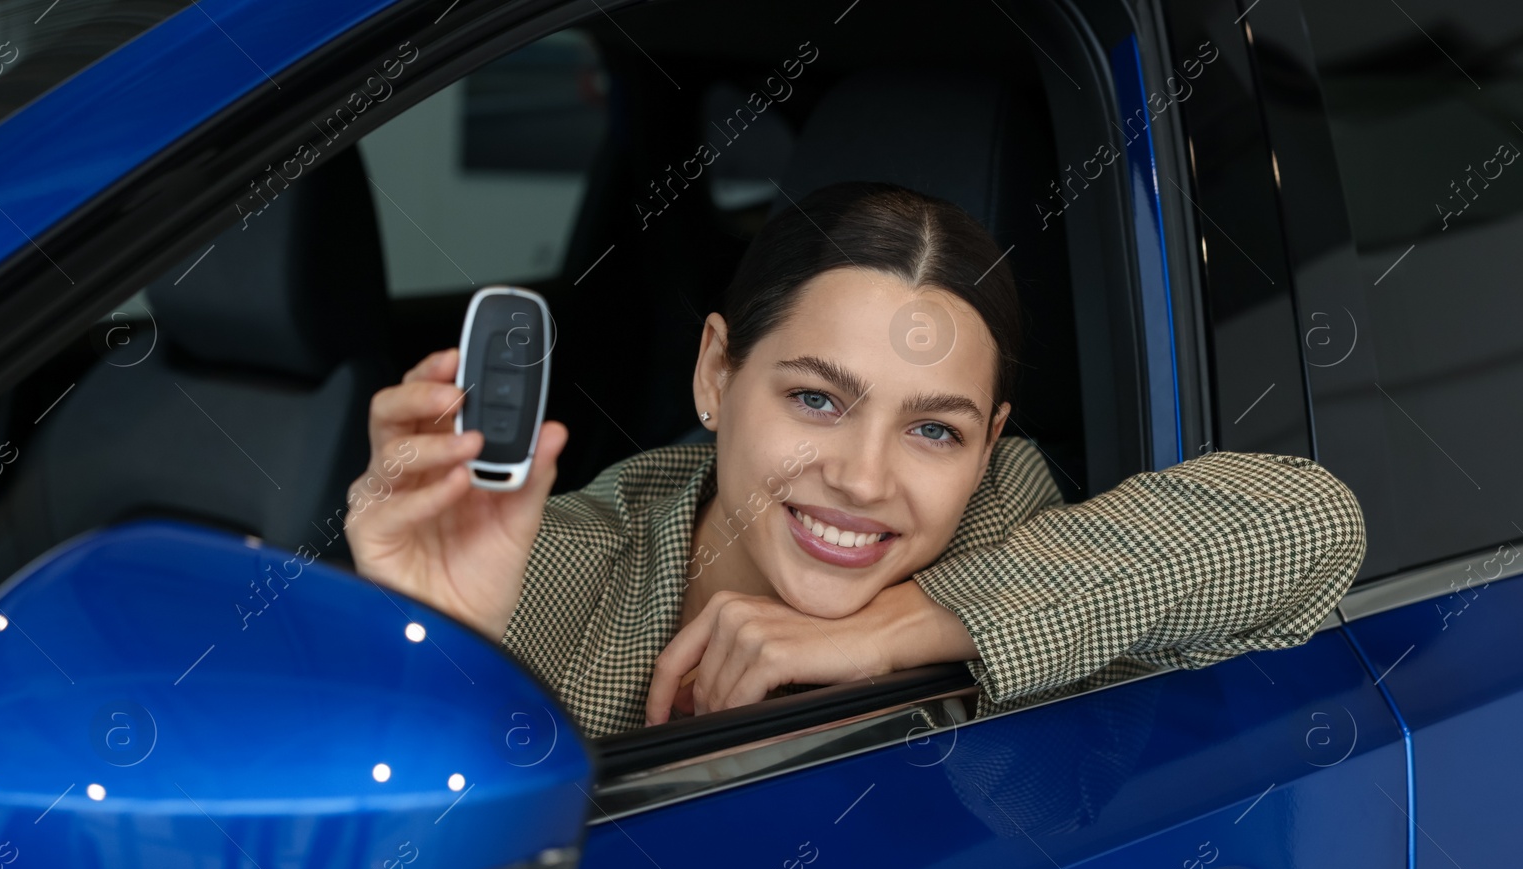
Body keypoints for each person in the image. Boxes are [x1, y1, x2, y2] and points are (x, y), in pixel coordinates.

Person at [343, 183, 1366, 739]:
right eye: (817, 398)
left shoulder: (1011, 530)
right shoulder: (549, 568)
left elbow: (1305, 520)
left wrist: (903, 629)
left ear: (989, 441)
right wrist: (423, 646)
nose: (865, 479)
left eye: (934, 429)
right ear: (714, 374)